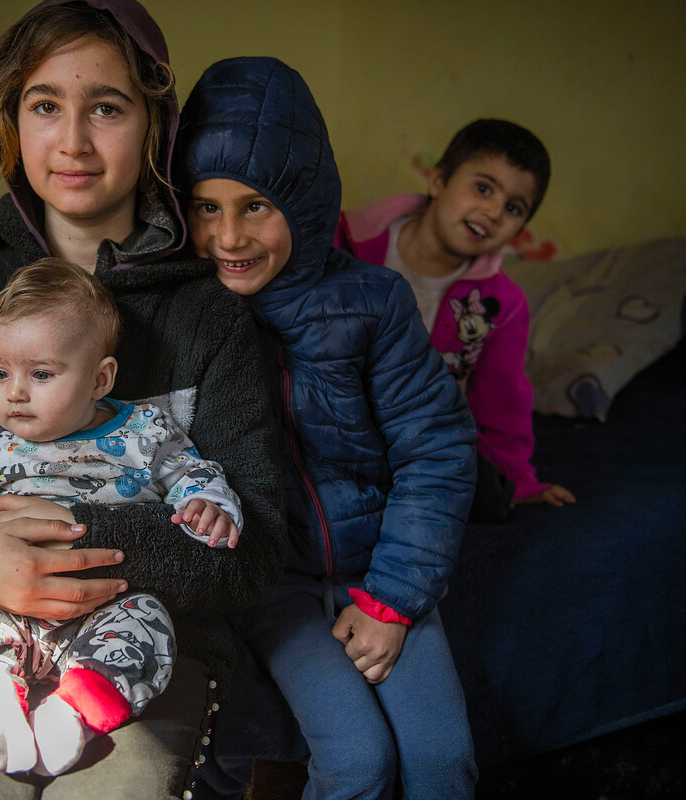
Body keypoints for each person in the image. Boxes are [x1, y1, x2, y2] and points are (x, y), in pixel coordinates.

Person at [0, 2, 285, 798]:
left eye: (108, 108)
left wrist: (60, 536)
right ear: (11, 118)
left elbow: (253, 551)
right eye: (45, 105)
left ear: (155, 124)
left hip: (156, 642)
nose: (73, 142)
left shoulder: (208, 316)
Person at [176, 57, 479, 799]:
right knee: (357, 762)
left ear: (306, 203)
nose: (228, 235)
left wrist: (391, 603)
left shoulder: (373, 302)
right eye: (206, 207)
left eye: (255, 206)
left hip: (381, 568)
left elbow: (436, 450)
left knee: (442, 764)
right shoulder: (189, 314)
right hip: (272, 585)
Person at [0, 258, 243, 776]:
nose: (14, 392)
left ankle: (76, 710)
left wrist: (209, 508)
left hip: (106, 605)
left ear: (100, 378)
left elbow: (193, 473)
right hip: (1, 600)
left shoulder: (144, 431)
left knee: (149, 621)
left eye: (40, 374)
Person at [336, 118, 575, 520]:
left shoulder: (502, 304)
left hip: (426, 440)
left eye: (513, 208)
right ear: (438, 181)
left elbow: (501, 401)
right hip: (335, 419)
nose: (493, 212)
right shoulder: (345, 243)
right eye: (483, 188)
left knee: (487, 496)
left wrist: (516, 480)